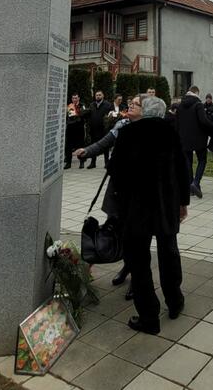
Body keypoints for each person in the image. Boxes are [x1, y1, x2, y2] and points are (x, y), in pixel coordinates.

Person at [109, 95, 189, 334]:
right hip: (165, 205)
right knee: (169, 253)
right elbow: (183, 169)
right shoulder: (170, 133)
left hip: (136, 208)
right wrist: (183, 202)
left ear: (145, 111)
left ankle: (149, 316)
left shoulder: (128, 134)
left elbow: (115, 171)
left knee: (139, 260)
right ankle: (175, 301)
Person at [75, 96, 139, 298]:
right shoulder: (121, 125)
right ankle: (126, 267)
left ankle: (136, 278)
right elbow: (104, 143)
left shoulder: (148, 129)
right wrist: (86, 150)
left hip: (136, 194)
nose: (131, 106)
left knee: (136, 238)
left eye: (137, 104)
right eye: (130, 103)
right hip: (118, 190)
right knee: (115, 231)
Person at [174, 86, 213, 198]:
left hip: (184, 139)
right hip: (199, 139)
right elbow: (203, 120)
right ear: (197, 92)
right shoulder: (198, 105)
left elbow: (176, 123)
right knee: (202, 160)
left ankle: (190, 186)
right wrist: (212, 127)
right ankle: (195, 183)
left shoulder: (180, 105)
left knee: (188, 162)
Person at [84, 90, 112, 170]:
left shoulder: (107, 105)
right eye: (96, 95)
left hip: (103, 130)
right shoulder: (92, 105)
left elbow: (110, 117)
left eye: (99, 95)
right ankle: (93, 163)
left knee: (105, 146)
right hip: (93, 129)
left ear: (103, 96)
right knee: (93, 145)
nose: (98, 96)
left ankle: (106, 163)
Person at [64, 94, 86, 169]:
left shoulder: (82, 105)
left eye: (76, 98)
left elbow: (83, 114)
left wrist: (77, 115)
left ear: (78, 98)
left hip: (79, 129)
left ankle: (82, 162)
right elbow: (68, 116)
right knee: (68, 146)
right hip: (70, 129)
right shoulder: (69, 106)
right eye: (73, 98)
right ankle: (68, 163)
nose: (74, 99)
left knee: (80, 145)